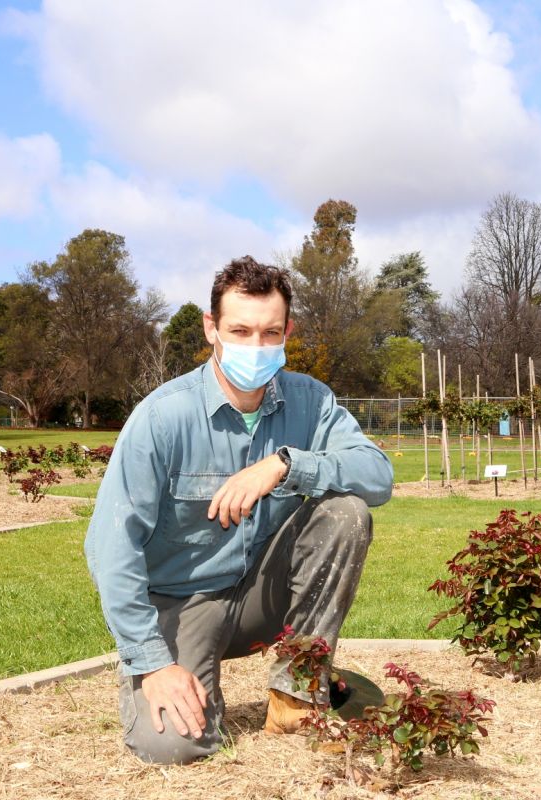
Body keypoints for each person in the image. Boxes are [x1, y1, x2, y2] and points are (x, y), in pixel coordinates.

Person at [84, 256, 393, 765]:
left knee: (347, 512)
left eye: (270, 332)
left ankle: (298, 691)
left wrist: (284, 464)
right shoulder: (162, 418)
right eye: (240, 330)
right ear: (212, 328)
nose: (256, 346)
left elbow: (378, 476)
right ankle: (174, 675)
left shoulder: (310, 402)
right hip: (182, 602)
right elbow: (110, 549)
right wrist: (153, 662)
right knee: (176, 746)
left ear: (288, 331)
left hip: (262, 594)